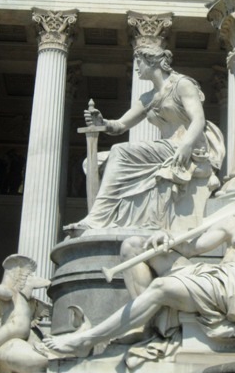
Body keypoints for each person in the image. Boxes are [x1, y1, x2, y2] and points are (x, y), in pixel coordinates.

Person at [46, 165, 235, 355]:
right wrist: (166, 238)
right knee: (135, 246)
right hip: (213, 278)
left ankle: (87, 340)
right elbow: (190, 249)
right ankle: (151, 327)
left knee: (162, 288)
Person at [63, 48, 224, 235]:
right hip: (166, 148)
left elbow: (198, 119)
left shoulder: (182, 84)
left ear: (152, 62)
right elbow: (121, 125)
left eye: (138, 63)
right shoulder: (147, 98)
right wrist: (103, 123)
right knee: (95, 161)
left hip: (186, 147)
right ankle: (113, 220)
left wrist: (186, 146)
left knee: (120, 151)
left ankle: (97, 218)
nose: (136, 68)